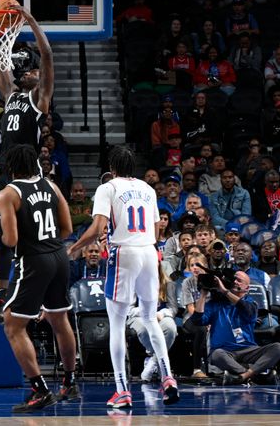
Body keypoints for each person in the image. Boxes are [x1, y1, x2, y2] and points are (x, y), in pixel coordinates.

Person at [68, 146, 179, 409]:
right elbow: (154, 231)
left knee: (116, 325)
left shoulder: (108, 188)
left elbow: (96, 228)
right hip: (150, 253)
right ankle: (168, 378)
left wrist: (73, 248)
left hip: (124, 253)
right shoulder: (148, 189)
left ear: (112, 168)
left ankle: (122, 391)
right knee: (151, 318)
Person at [0, 144, 78, 412]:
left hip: (33, 260)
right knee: (59, 319)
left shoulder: (8, 193)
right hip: (58, 256)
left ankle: (39, 389)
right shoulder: (51, 186)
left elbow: (11, 240)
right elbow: (67, 228)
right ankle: (69, 382)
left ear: (10, 166)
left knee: (12, 325)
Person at [0, 6, 54, 313]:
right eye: (28, 70)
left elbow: (48, 56)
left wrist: (29, 20)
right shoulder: (11, 95)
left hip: (28, 175)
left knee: (30, 239)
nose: (30, 71)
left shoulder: (39, 100)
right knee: (3, 238)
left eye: (34, 70)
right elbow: (1, 61)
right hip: (5, 171)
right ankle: (2, 293)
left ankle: (37, 289)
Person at [190, 270, 280, 384]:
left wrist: (225, 291)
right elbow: (197, 320)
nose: (235, 282)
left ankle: (242, 376)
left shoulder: (250, 303)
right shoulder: (215, 304)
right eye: (234, 279)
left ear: (247, 288)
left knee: (278, 347)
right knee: (216, 355)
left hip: (249, 350)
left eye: (239, 281)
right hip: (225, 351)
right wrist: (203, 294)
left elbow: (248, 312)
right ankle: (254, 376)